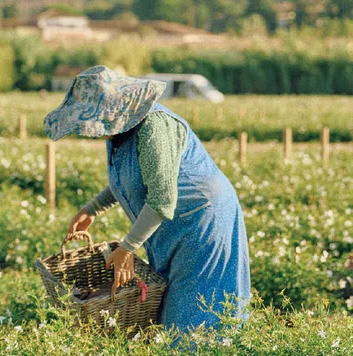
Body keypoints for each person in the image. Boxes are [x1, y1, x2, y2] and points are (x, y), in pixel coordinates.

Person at [44, 66, 251, 334]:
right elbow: (131, 179)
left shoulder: (154, 127)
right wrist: (92, 209)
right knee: (173, 307)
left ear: (114, 109)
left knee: (194, 310)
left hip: (202, 222)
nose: (91, 130)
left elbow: (161, 199)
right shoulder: (117, 130)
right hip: (174, 226)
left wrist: (127, 248)